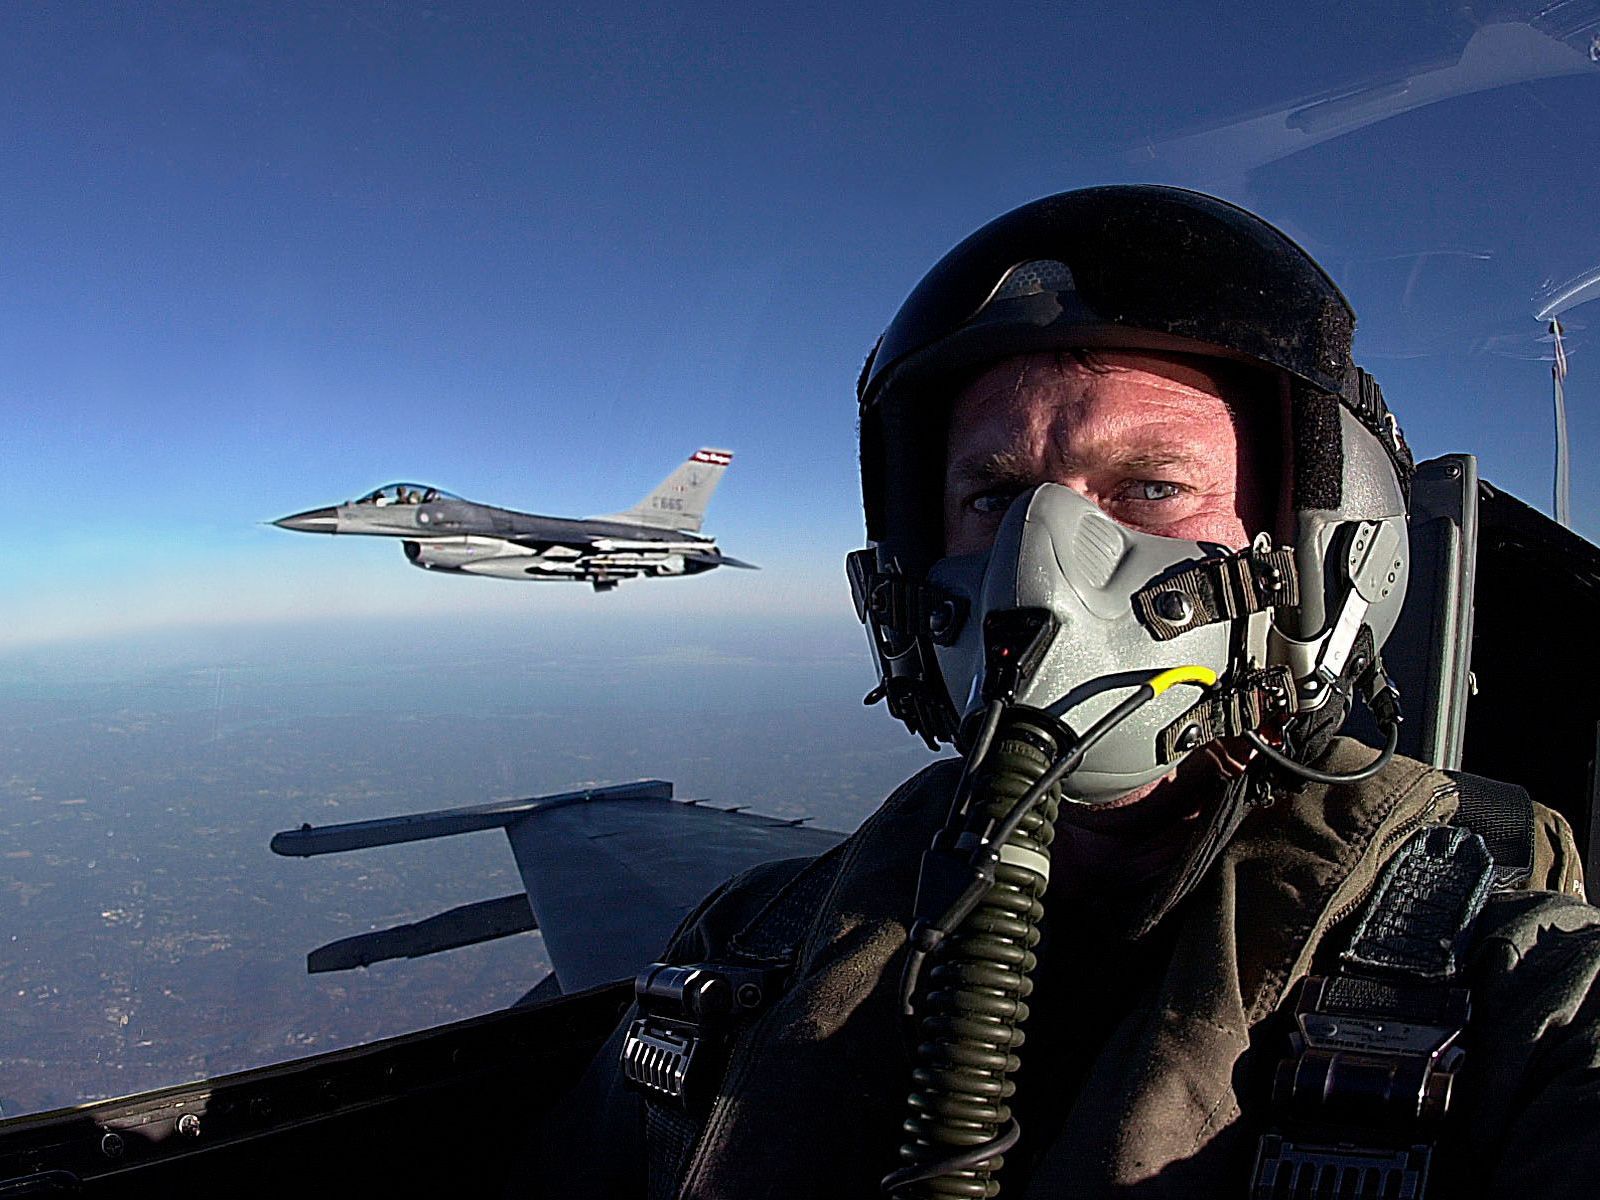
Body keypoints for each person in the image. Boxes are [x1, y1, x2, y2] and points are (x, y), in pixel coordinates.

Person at [530, 187, 1600, 1198]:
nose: (1036, 567)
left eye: (1152, 487)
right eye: (992, 497)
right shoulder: (743, 950)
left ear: (1325, 553)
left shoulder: (1510, 994)